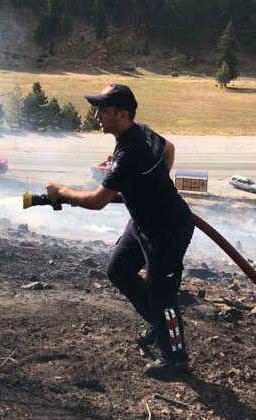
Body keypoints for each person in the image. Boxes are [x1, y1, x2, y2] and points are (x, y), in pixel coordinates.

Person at [45, 84, 194, 376]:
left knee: (162, 294)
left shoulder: (128, 153)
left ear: (123, 115)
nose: (97, 115)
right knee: (118, 270)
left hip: (168, 229)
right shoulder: (141, 132)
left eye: (103, 110)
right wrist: (151, 187)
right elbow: (169, 148)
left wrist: (61, 191)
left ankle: (176, 360)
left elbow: (97, 201)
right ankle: (158, 323)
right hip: (142, 224)